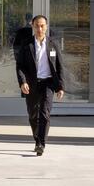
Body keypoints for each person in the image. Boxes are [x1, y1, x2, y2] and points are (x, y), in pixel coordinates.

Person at [14, 14, 66, 156]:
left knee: (44, 114)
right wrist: (22, 82)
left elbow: (60, 66)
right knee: (33, 115)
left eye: (42, 25)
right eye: (37, 25)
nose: (40, 28)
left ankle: (41, 144)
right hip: (31, 84)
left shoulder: (53, 44)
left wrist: (60, 86)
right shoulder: (27, 44)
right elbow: (20, 66)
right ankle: (37, 138)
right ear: (33, 26)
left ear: (46, 27)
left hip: (48, 83)